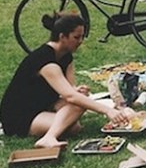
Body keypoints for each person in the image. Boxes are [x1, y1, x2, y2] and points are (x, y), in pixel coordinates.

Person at [0, 14, 130, 148]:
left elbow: (70, 90)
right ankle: (48, 138)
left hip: (44, 105)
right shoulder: (45, 61)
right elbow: (70, 96)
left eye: (82, 37)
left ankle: (51, 133)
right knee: (72, 122)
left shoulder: (66, 57)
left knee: (76, 121)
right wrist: (107, 111)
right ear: (62, 36)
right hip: (20, 115)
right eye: (76, 37)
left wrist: (77, 90)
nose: (80, 41)